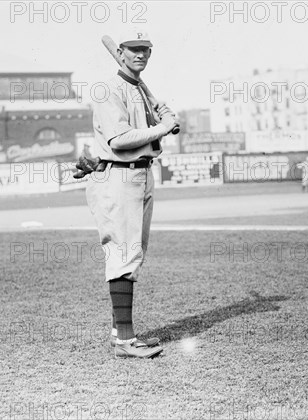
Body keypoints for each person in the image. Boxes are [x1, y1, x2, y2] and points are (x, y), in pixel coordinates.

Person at [84, 29, 178, 358]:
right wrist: (162, 127)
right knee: (123, 255)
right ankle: (124, 341)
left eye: (146, 50)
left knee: (133, 254)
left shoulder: (138, 89)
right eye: (134, 49)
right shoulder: (108, 89)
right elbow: (119, 139)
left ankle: (119, 332)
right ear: (120, 53)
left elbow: (150, 133)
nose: (141, 55)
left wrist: (161, 115)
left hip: (140, 174)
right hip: (118, 176)